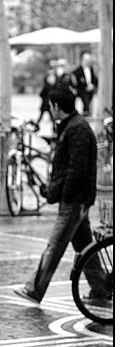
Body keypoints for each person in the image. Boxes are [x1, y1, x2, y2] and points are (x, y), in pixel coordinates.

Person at [14, 86, 110, 307]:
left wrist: (64, 196)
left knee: (54, 246)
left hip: (74, 200)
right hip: (76, 199)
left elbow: (77, 170)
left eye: (50, 106)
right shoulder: (73, 126)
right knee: (85, 246)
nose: (49, 110)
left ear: (57, 107)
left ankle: (34, 289)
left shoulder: (76, 129)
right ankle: (100, 288)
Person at [72, 51, 98, 116]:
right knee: (85, 104)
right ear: (82, 60)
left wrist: (92, 85)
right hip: (82, 91)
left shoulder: (91, 69)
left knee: (91, 104)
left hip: (91, 91)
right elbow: (76, 82)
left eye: (89, 59)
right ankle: (86, 116)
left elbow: (95, 79)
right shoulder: (77, 71)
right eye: (86, 59)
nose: (87, 61)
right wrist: (85, 87)